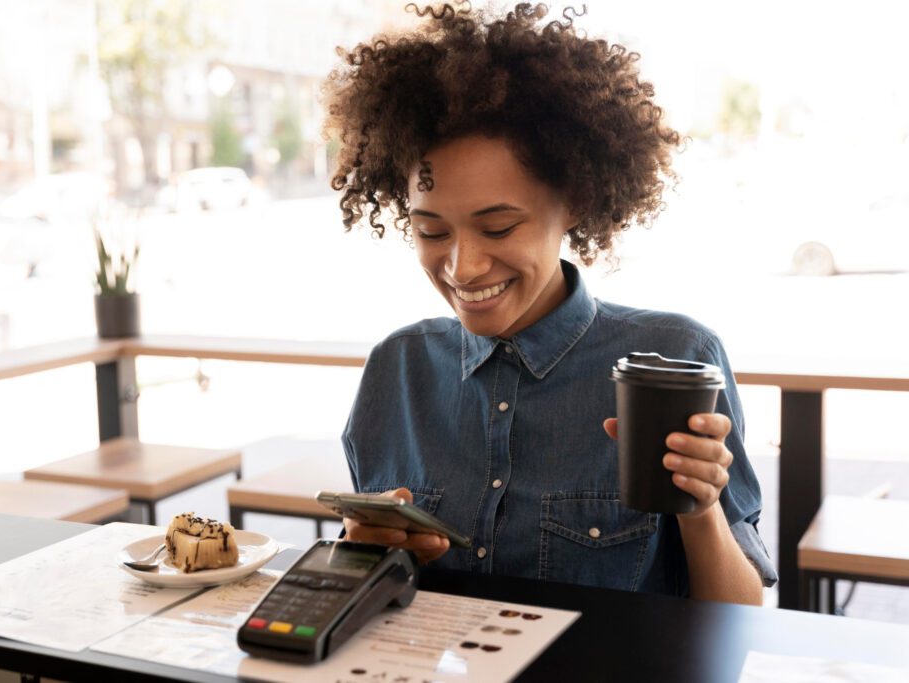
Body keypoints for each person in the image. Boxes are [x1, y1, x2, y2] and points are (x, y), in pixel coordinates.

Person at [322, 2, 777, 605]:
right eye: (431, 232)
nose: (462, 267)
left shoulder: (672, 360)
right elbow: (374, 589)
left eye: (499, 227)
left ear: (577, 201)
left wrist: (699, 506)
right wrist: (365, 550)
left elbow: (739, 614)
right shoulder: (396, 370)